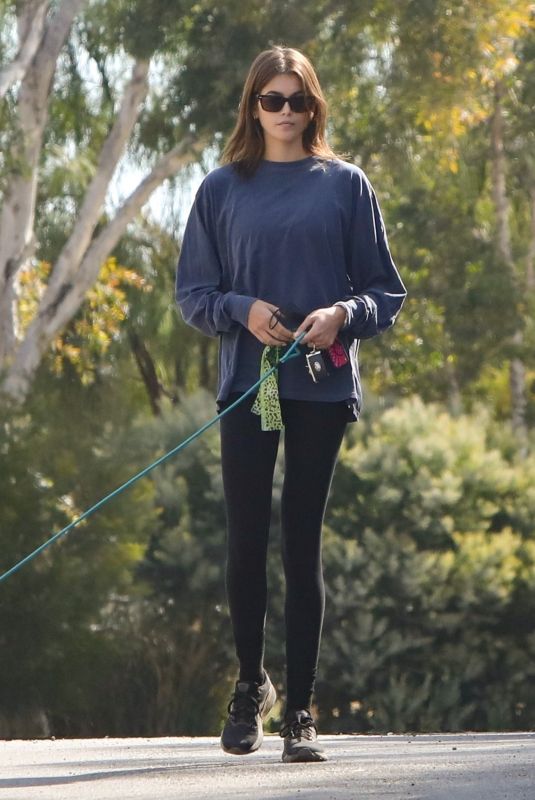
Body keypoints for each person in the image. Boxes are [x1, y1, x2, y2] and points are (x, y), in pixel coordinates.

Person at [176, 45, 406, 763]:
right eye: (269, 100)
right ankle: (251, 687)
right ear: (251, 106)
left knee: (299, 540)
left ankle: (300, 711)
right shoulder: (219, 189)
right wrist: (241, 309)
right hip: (249, 385)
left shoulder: (345, 185)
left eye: (295, 99)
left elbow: (384, 292)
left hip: (321, 385)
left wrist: (343, 312)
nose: (283, 112)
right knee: (245, 539)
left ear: (314, 105)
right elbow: (193, 296)